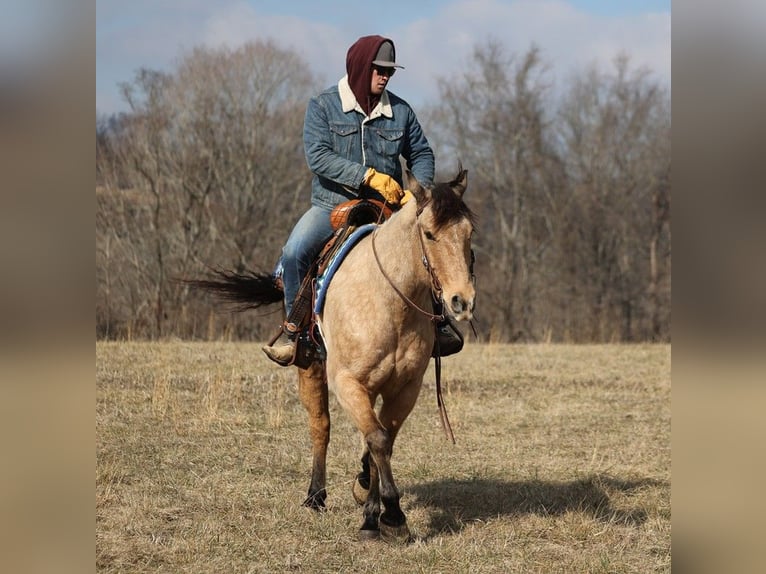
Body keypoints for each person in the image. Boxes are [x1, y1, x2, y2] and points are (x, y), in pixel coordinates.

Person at [262, 35, 436, 365]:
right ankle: (297, 336)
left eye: (390, 71)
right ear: (360, 67)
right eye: (379, 70)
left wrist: (418, 195)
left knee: (432, 244)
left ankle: (437, 327)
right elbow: (318, 157)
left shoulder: (401, 111)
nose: (385, 76)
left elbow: (422, 153)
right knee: (294, 251)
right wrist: (368, 177)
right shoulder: (322, 106)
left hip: (390, 210)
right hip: (332, 206)